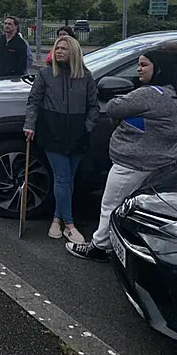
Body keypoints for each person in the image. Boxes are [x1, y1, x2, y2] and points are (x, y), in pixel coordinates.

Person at [66, 49, 177, 262]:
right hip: (161, 164)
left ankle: (99, 247)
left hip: (131, 164)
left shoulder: (149, 94)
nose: (138, 69)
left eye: (144, 65)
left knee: (111, 204)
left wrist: (125, 103)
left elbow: (115, 107)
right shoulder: (171, 94)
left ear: (159, 69)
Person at [23, 36, 99, 243]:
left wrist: (87, 127)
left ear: (73, 51)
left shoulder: (85, 76)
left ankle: (56, 220)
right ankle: (70, 225)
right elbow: (34, 101)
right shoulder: (46, 74)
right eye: (57, 48)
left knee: (67, 180)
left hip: (77, 134)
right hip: (53, 132)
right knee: (63, 177)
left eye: (64, 48)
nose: (59, 51)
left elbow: (94, 105)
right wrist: (30, 124)